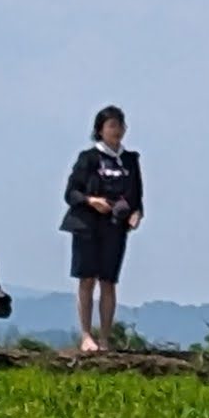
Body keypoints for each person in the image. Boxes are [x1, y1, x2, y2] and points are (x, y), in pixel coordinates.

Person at [62, 106, 143, 354]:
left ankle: (105, 338)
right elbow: (71, 193)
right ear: (100, 130)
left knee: (108, 281)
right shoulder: (88, 158)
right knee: (87, 279)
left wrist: (136, 214)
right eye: (112, 126)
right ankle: (86, 335)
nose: (117, 131)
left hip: (115, 228)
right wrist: (91, 201)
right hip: (87, 226)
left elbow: (137, 197)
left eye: (120, 126)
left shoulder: (130, 160)